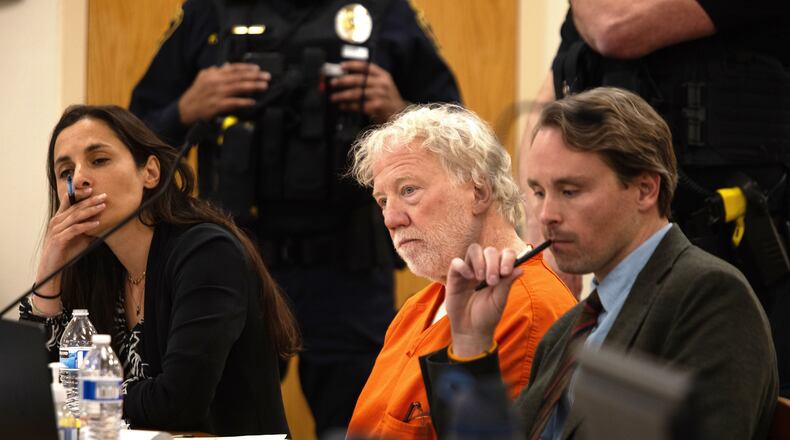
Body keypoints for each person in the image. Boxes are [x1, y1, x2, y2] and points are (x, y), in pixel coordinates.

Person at [129, 1, 461, 434]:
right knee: (228, 427)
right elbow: (135, 140)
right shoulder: (212, 10)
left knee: (360, 426)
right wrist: (186, 108)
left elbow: (458, 131)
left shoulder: (384, 10)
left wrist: (399, 108)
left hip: (348, 272)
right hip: (238, 266)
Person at [423, 88, 778, 439]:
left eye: (570, 191)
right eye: (539, 192)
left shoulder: (710, 297)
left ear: (645, 189)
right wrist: (471, 341)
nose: (546, 215)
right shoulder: (569, 329)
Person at [518, 0, 790, 396]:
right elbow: (552, 97)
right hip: (627, 261)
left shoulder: (599, 10)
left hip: (742, 248)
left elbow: (615, 28)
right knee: (610, 401)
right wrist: (540, 212)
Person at [19, 105, 299, 436]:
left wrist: (82, 398)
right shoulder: (95, 268)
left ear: (150, 173)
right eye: (65, 171)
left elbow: (179, 402)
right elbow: (35, 393)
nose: (78, 179)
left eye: (99, 160)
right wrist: (50, 273)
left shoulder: (207, 253)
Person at [345, 104, 576, 439]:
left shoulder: (530, 311)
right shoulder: (417, 308)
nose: (391, 219)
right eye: (383, 201)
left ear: (479, 192)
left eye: (408, 190)